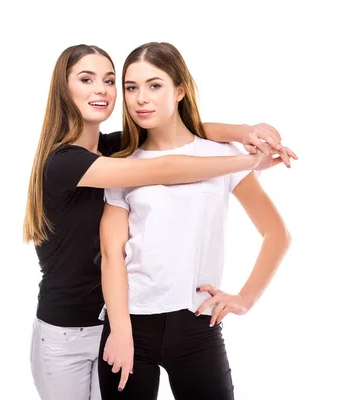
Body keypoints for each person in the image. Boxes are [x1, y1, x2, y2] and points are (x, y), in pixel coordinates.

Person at [23, 44, 294, 400]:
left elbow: (184, 134)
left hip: (131, 319)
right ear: (64, 88)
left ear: (179, 89)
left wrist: (242, 132)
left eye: (108, 80)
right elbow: (163, 169)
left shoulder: (114, 149)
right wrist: (246, 162)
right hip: (72, 329)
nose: (103, 90)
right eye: (130, 86)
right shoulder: (70, 162)